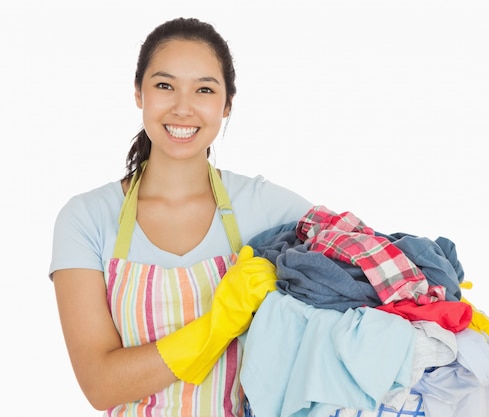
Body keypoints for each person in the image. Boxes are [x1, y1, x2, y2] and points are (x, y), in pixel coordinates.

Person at [49, 17, 312, 417]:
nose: (183, 107)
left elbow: (359, 251)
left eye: (204, 89)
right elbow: (100, 384)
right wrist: (220, 325)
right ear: (139, 93)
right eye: (164, 85)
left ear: (226, 105)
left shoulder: (262, 205)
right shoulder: (86, 218)